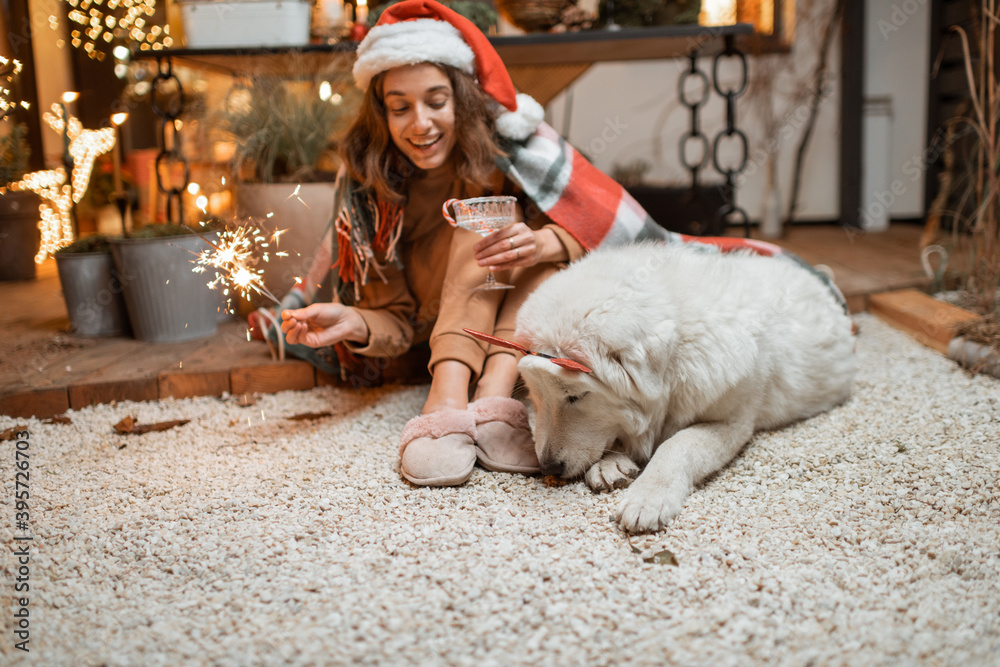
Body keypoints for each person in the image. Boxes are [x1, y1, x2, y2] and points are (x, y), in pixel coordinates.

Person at [262, 0, 774, 487]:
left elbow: (596, 235)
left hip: (510, 343)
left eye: (436, 101)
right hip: (438, 341)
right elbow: (396, 320)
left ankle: (494, 401)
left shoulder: (509, 156)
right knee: (481, 227)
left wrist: (545, 242)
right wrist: (358, 322)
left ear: (459, 99)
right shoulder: (374, 193)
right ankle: (445, 400)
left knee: (527, 247)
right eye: (400, 108)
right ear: (383, 115)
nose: (420, 123)